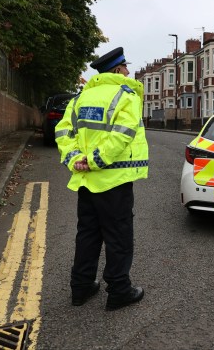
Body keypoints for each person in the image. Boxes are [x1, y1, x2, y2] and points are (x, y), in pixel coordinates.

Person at [55, 47, 148, 311]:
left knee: (88, 234)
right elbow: (121, 135)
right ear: (118, 69)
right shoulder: (125, 95)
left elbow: (63, 131)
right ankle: (119, 290)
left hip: (86, 180)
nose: (129, 72)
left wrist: (76, 159)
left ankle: (81, 287)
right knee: (118, 237)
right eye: (126, 67)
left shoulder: (80, 98)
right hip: (114, 180)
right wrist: (96, 160)